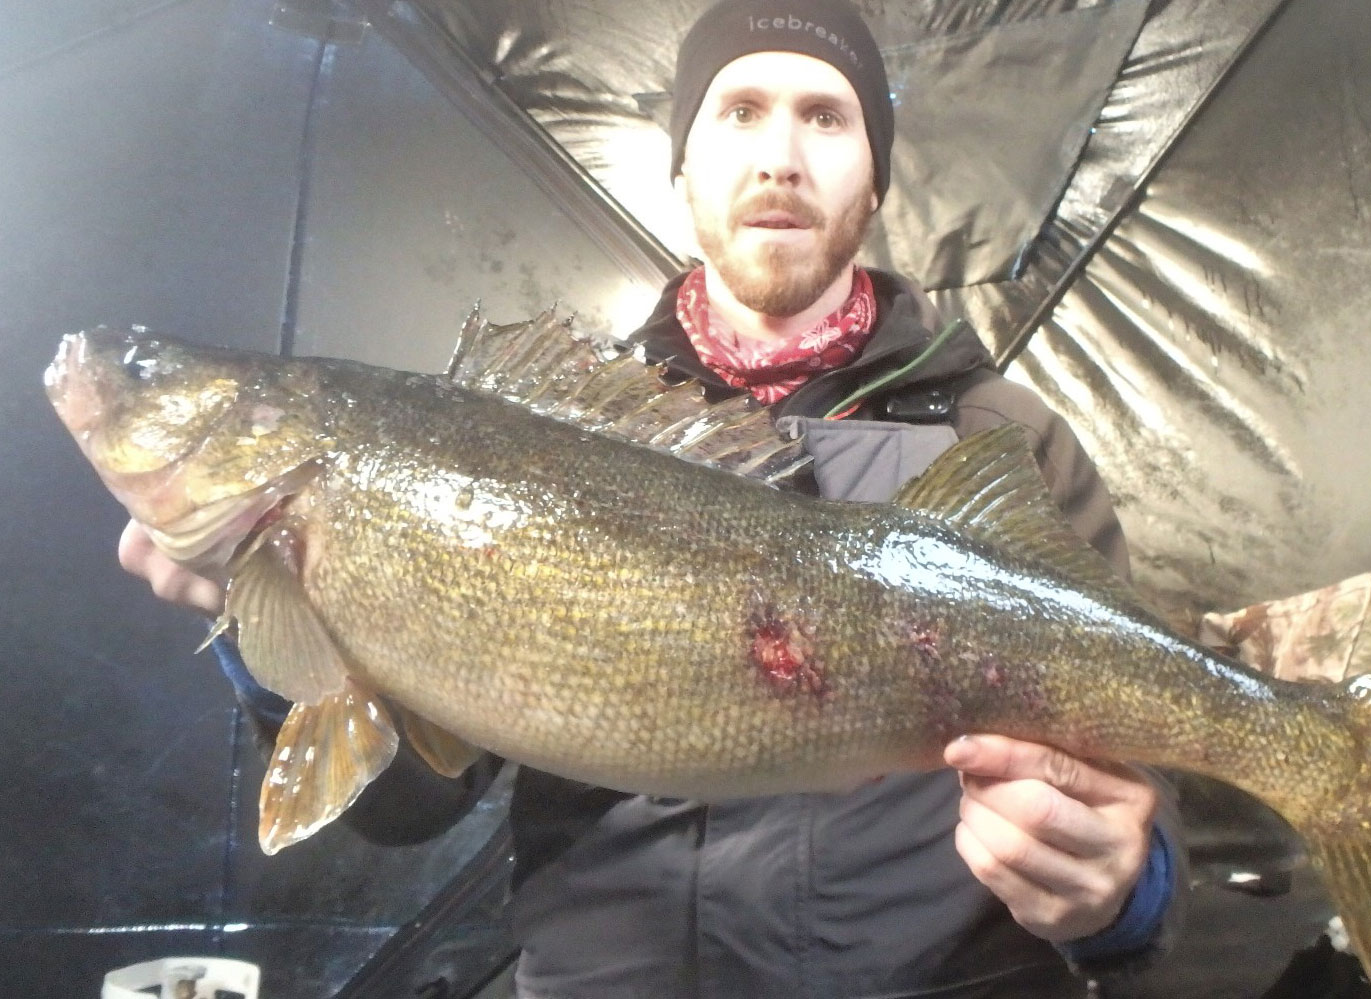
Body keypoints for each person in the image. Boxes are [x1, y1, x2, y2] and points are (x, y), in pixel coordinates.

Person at [120, 1, 1182, 995]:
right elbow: (413, 806)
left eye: (825, 116)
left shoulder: (1004, 440)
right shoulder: (519, 439)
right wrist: (269, 641)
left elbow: (1143, 753)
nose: (779, 154)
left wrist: (1124, 894)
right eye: (738, 112)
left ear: (874, 180)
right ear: (680, 166)